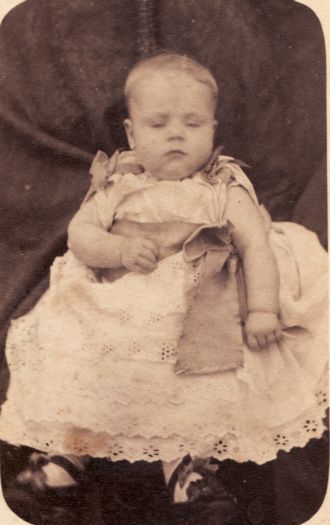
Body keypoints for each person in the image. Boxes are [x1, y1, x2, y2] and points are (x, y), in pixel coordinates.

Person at [0, 52, 327, 520]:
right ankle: (69, 456)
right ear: (132, 134)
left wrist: (262, 311)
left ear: (213, 129)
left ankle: (186, 470)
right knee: (84, 363)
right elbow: (81, 235)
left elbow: (255, 247)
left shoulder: (223, 188)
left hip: (195, 308)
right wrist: (115, 251)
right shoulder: (117, 184)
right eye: (158, 124)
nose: (176, 133)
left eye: (192, 123)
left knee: (191, 382)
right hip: (114, 302)